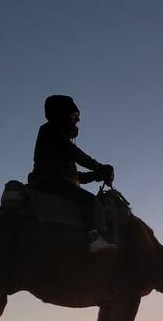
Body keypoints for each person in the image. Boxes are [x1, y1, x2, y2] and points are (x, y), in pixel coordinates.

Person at [28, 95, 115, 251]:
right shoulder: (51, 130)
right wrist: (99, 167)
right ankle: (94, 240)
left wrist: (97, 175)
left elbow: (76, 177)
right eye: (74, 115)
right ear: (62, 114)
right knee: (89, 201)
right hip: (48, 183)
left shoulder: (57, 140)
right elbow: (75, 153)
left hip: (55, 182)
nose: (77, 120)